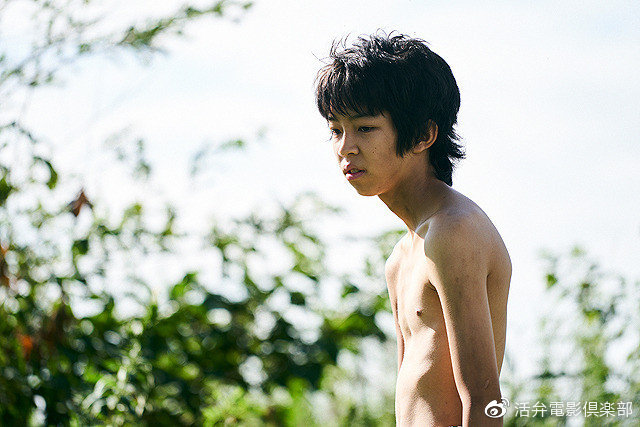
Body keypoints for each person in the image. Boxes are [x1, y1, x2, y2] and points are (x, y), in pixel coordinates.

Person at [315, 32, 511, 426]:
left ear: (423, 135)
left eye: (365, 128)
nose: (345, 147)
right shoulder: (401, 256)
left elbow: (485, 397)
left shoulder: (453, 232)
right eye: (336, 130)